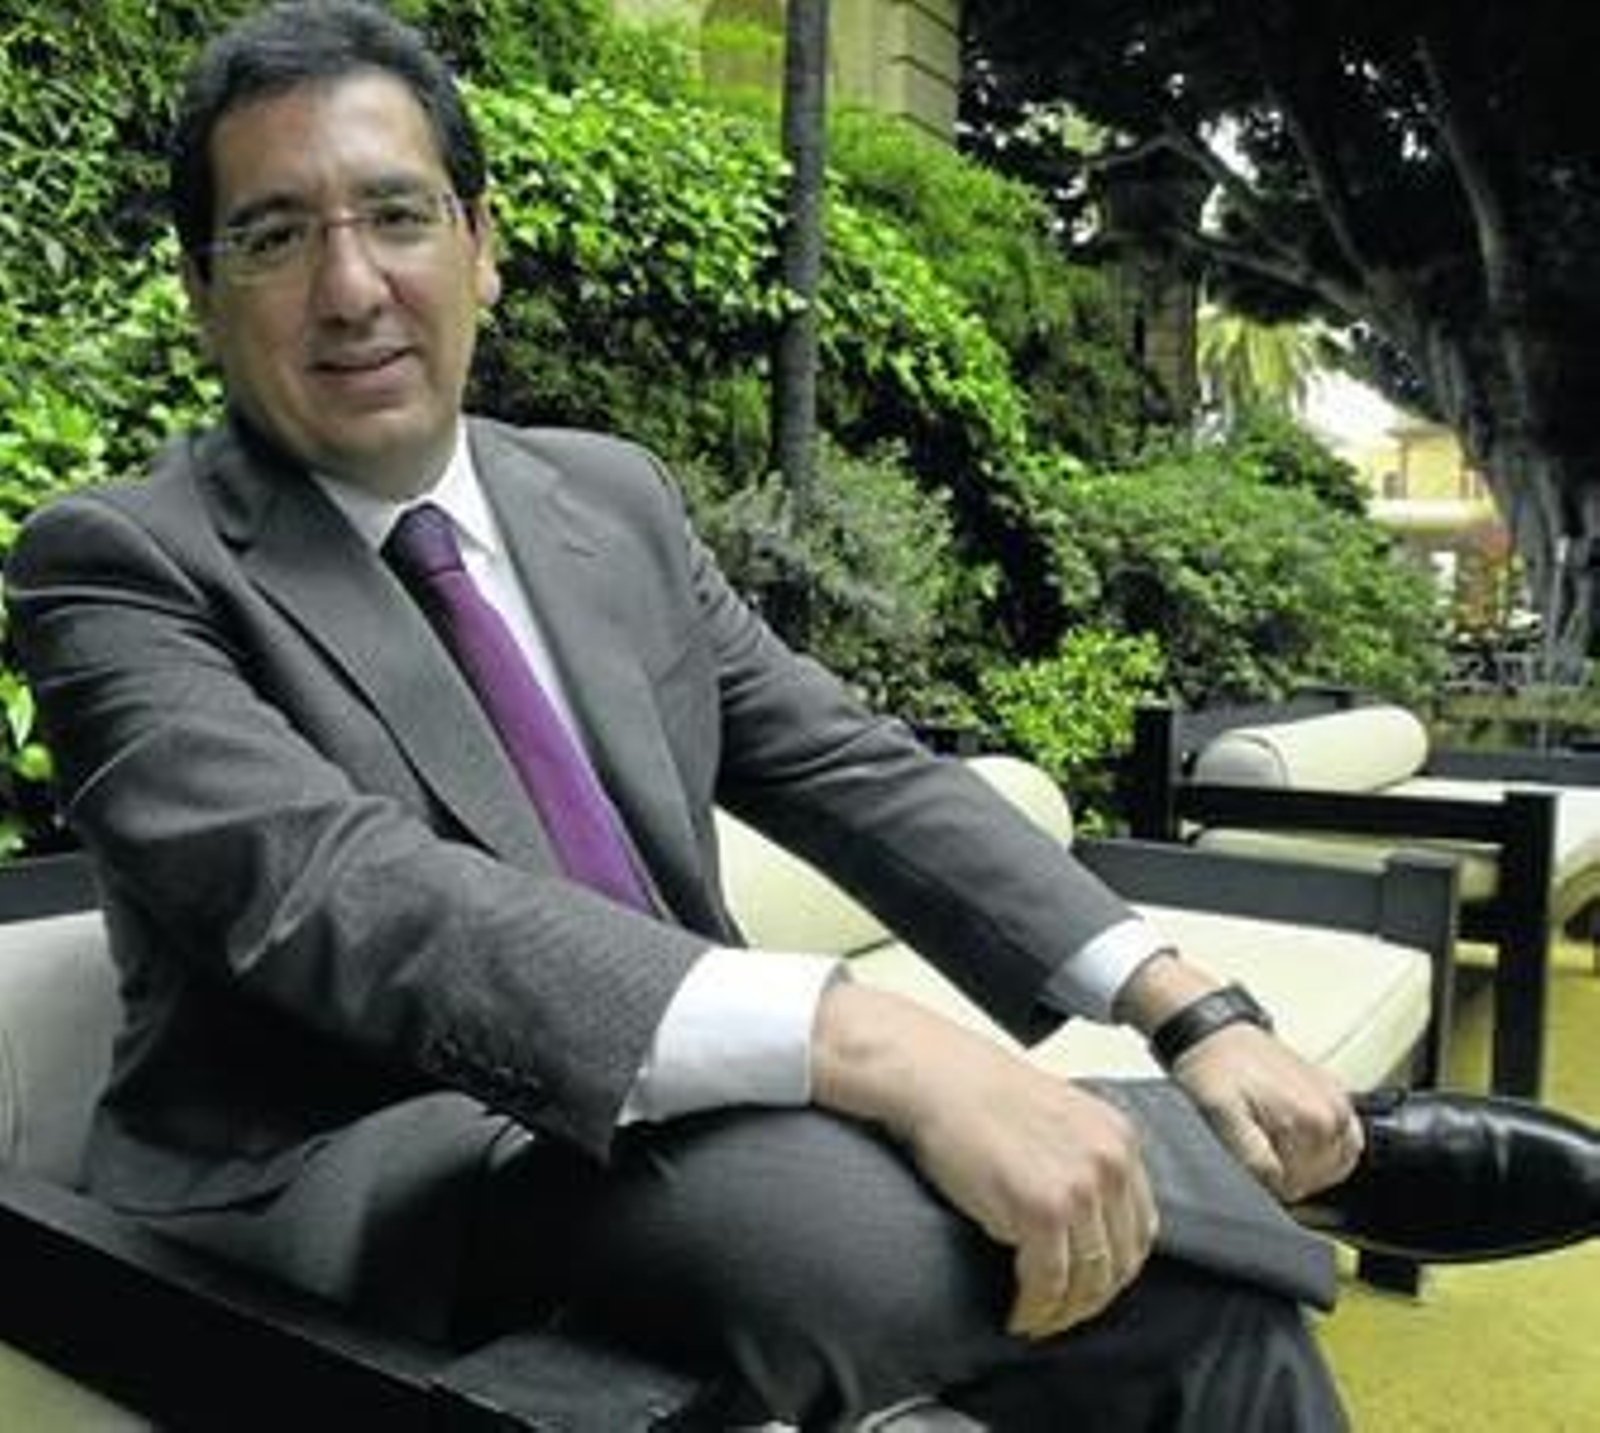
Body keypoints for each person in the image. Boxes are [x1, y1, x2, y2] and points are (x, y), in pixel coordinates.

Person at [4, 2, 1364, 1426]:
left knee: (1214, 1316)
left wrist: (1186, 1007)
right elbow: (338, 893)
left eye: (398, 216)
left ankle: (1226, 1186)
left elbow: (845, 764)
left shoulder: (608, 500)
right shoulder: (117, 563)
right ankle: (1332, 1171)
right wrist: (865, 1038)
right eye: (276, 237)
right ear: (201, 288)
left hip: (691, 1125)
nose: (351, 288)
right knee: (867, 1240)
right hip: (364, 1160)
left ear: (482, 245)